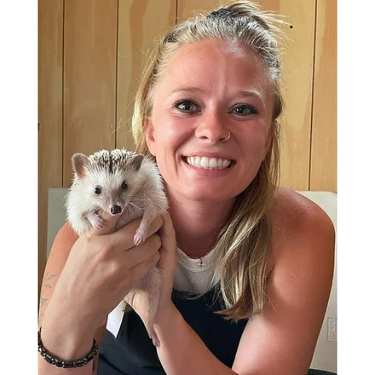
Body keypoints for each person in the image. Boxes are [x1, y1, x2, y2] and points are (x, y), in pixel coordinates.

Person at [38, 1, 335, 374]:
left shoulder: (301, 230)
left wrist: (159, 313)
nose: (212, 130)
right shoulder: (85, 234)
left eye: (243, 109)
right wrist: (69, 314)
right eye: (186, 105)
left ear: (268, 140)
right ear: (150, 131)